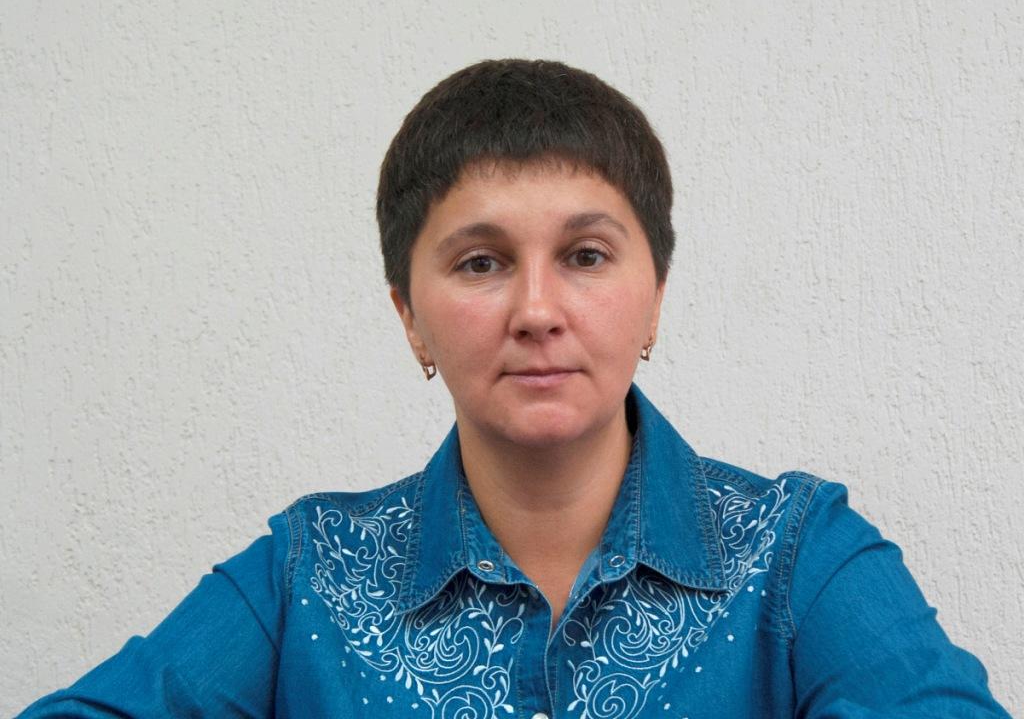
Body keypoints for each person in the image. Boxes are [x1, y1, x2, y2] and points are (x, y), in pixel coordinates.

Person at [19, 59, 1009, 718]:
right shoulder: (309, 574)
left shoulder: (795, 555)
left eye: (585, 255)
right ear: (410, 316)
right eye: (481, 263)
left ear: (654, 298)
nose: (537, 310)